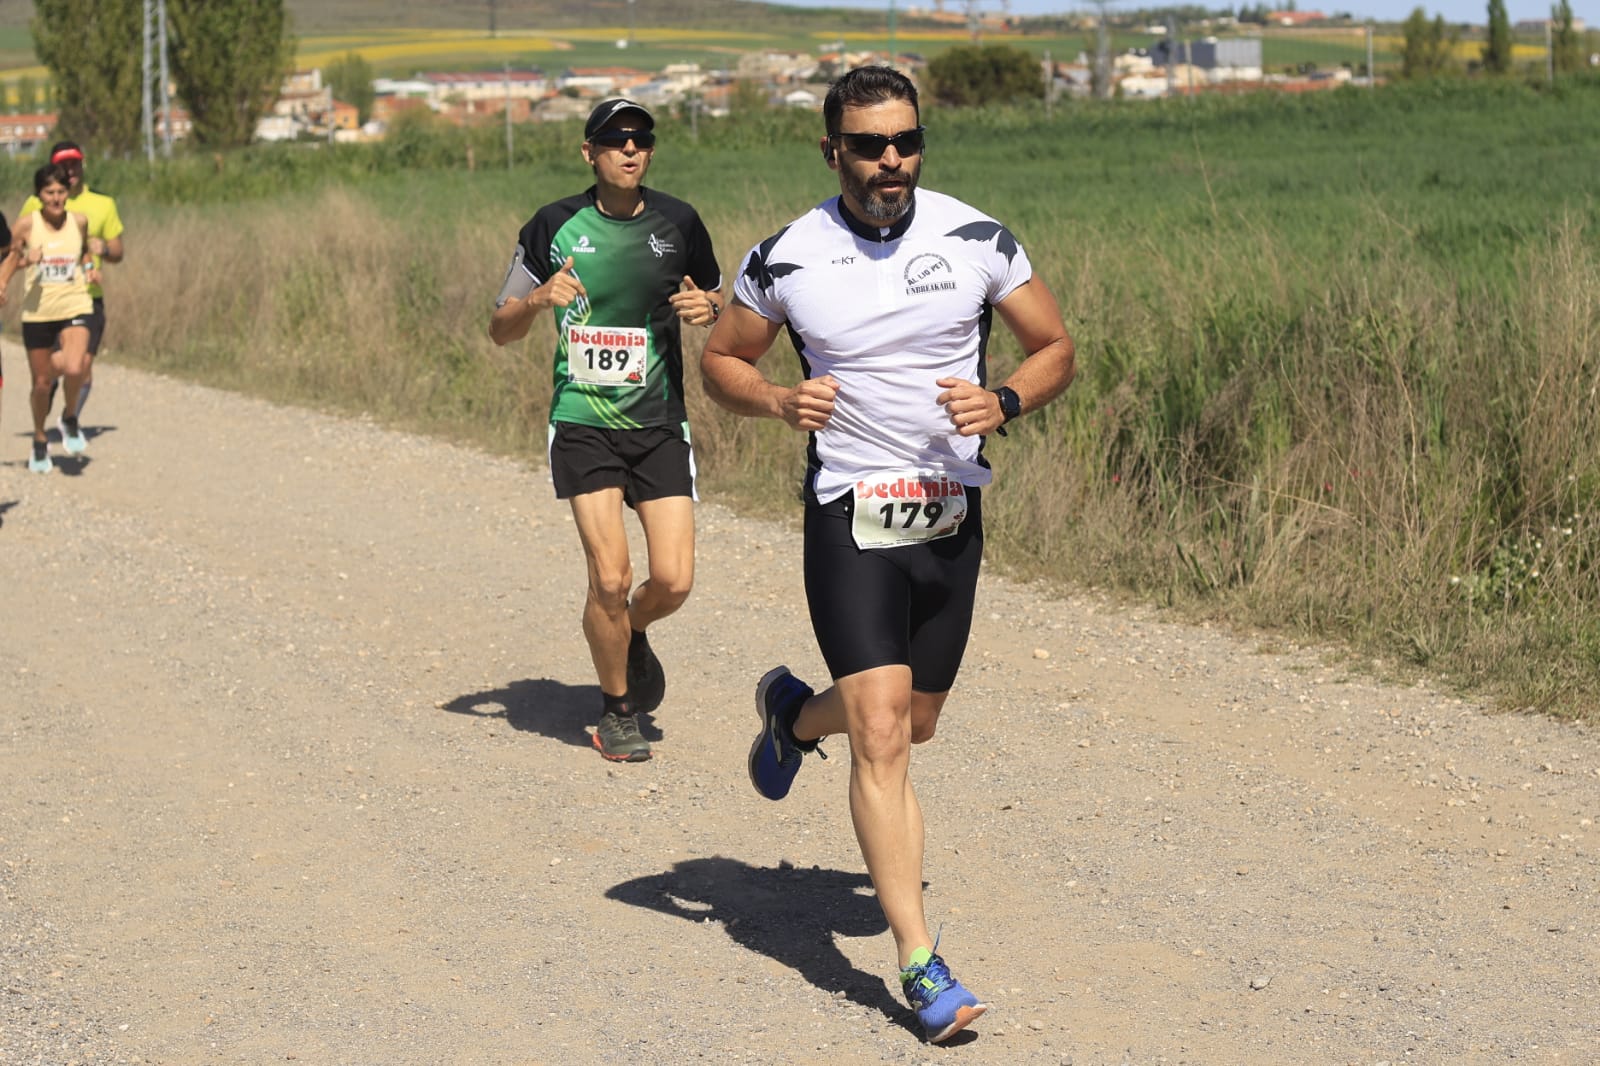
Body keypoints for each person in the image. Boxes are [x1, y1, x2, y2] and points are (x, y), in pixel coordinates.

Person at [699, 66, 1076, 1043]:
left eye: (905, 141)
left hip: (949, 517)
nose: (891, 161)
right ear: (832, 153)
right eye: (868, 145)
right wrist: (778, 401)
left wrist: (1005, 401)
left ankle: (791, 714)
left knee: (914, 722)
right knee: (879, 733)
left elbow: (1055, 347)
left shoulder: (978, 238)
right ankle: (919, 963)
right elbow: (722, 360)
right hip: (849, 514)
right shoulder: (784, 258)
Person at [489, 99, 723, 763]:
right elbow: (499, 327)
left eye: (641, 139)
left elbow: (715, 299)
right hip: (583, 422)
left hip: (658, 422)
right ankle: (617, 709)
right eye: (615, 140)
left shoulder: (678, 222)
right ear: (587, 152)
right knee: (612, 579)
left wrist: (710, 307)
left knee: (673, 581)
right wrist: (536, 301)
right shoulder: (553, 226)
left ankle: (629, 632)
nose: (630, 149)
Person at [0, 163, 99, 473]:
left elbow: (82, 254)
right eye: (49, 193)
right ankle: (40, 437)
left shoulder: (79, 221)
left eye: (60, 192)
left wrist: (90, 269)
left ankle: (70, 417)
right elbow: (9, 256)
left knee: (75, 365)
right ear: (38, 195)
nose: (56, 199)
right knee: (41, 384)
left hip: (75, 305)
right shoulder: (27, 226)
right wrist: (5, 279)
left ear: (67, 193)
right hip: (38, 313)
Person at [21, 141, 125, 427]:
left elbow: (118, 252)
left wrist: (102, 248)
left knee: (82, 365)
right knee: (54, 369)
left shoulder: (103, 204)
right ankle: (46, 390)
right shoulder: (35, 202)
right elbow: (14, 246)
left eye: (75, 164)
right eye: (64, 165)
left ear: (83, 164)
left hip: (86, 298)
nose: (71, 170)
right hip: (47, 299)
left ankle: (70, 420)